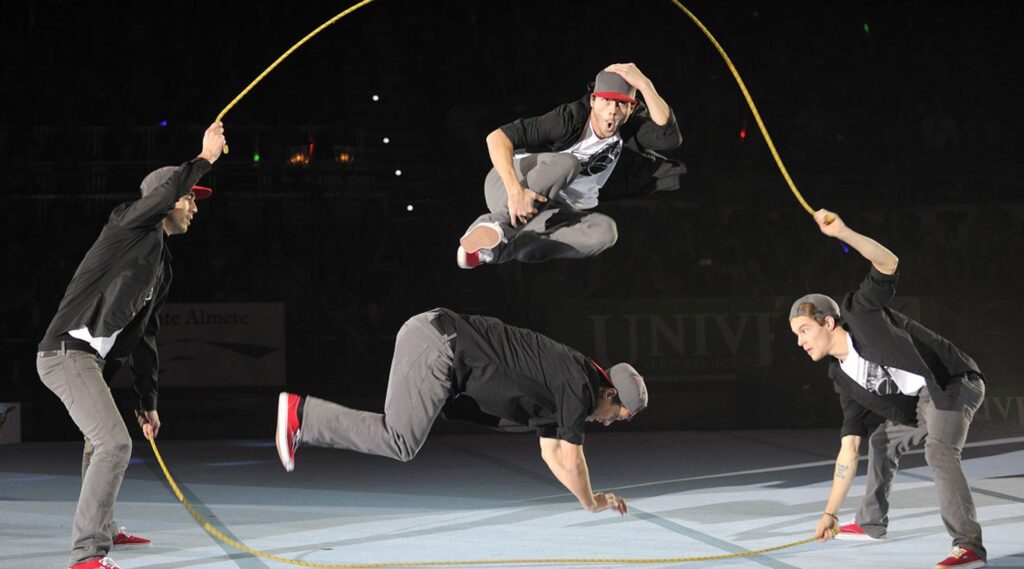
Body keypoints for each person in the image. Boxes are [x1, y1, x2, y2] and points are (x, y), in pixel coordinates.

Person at [37, 121, 226, 569]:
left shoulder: (160, 263)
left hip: (88, 361)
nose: (194, 208)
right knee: (114, 446)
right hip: (64, 354)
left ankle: (102, 529)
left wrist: (147, 399)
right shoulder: (126, 225)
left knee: (96, 443)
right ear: (161, 201)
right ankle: (86, 555)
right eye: (188, 198)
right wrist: (204, 159)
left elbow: (146, 335)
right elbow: (158, 198)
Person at [277, 308, 647, 515]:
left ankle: (302, 417)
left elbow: (551, 453)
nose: (608, 422)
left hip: (440, 347)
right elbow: (572, 460)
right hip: (439, 346)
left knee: (401, 440)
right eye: (617, 415)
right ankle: (301, 415)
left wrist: (587, 498)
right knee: (400, 441)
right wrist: (592, 501)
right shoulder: (577, 385)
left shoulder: (568, 391)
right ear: (609, 392)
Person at [788, 209, 986, 569]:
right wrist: (830, 513)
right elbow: (849, 449)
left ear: (828, 322)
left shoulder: (861, 313)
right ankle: (870, 521)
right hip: (921, 403)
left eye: (803, 330)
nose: (800, 342)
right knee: (881, 441)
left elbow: (888, 262)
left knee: (939, 451)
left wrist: (844, 232)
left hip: (951, 383)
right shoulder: (841, 376)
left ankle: (968, 546)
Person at [456, 63, 684, 269]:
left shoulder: (629, 128)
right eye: (605, 101)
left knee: (604, 232)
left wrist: (645, 84)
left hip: (550, 207)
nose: (612, 111)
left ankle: (491, 253)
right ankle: (493, 226)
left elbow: (668, 138)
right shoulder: (567, 119)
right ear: (593, 100)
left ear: (631, 109)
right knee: (568, 162)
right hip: (511, 183)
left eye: (621, 104)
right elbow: (496, 138)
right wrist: (515, 191)